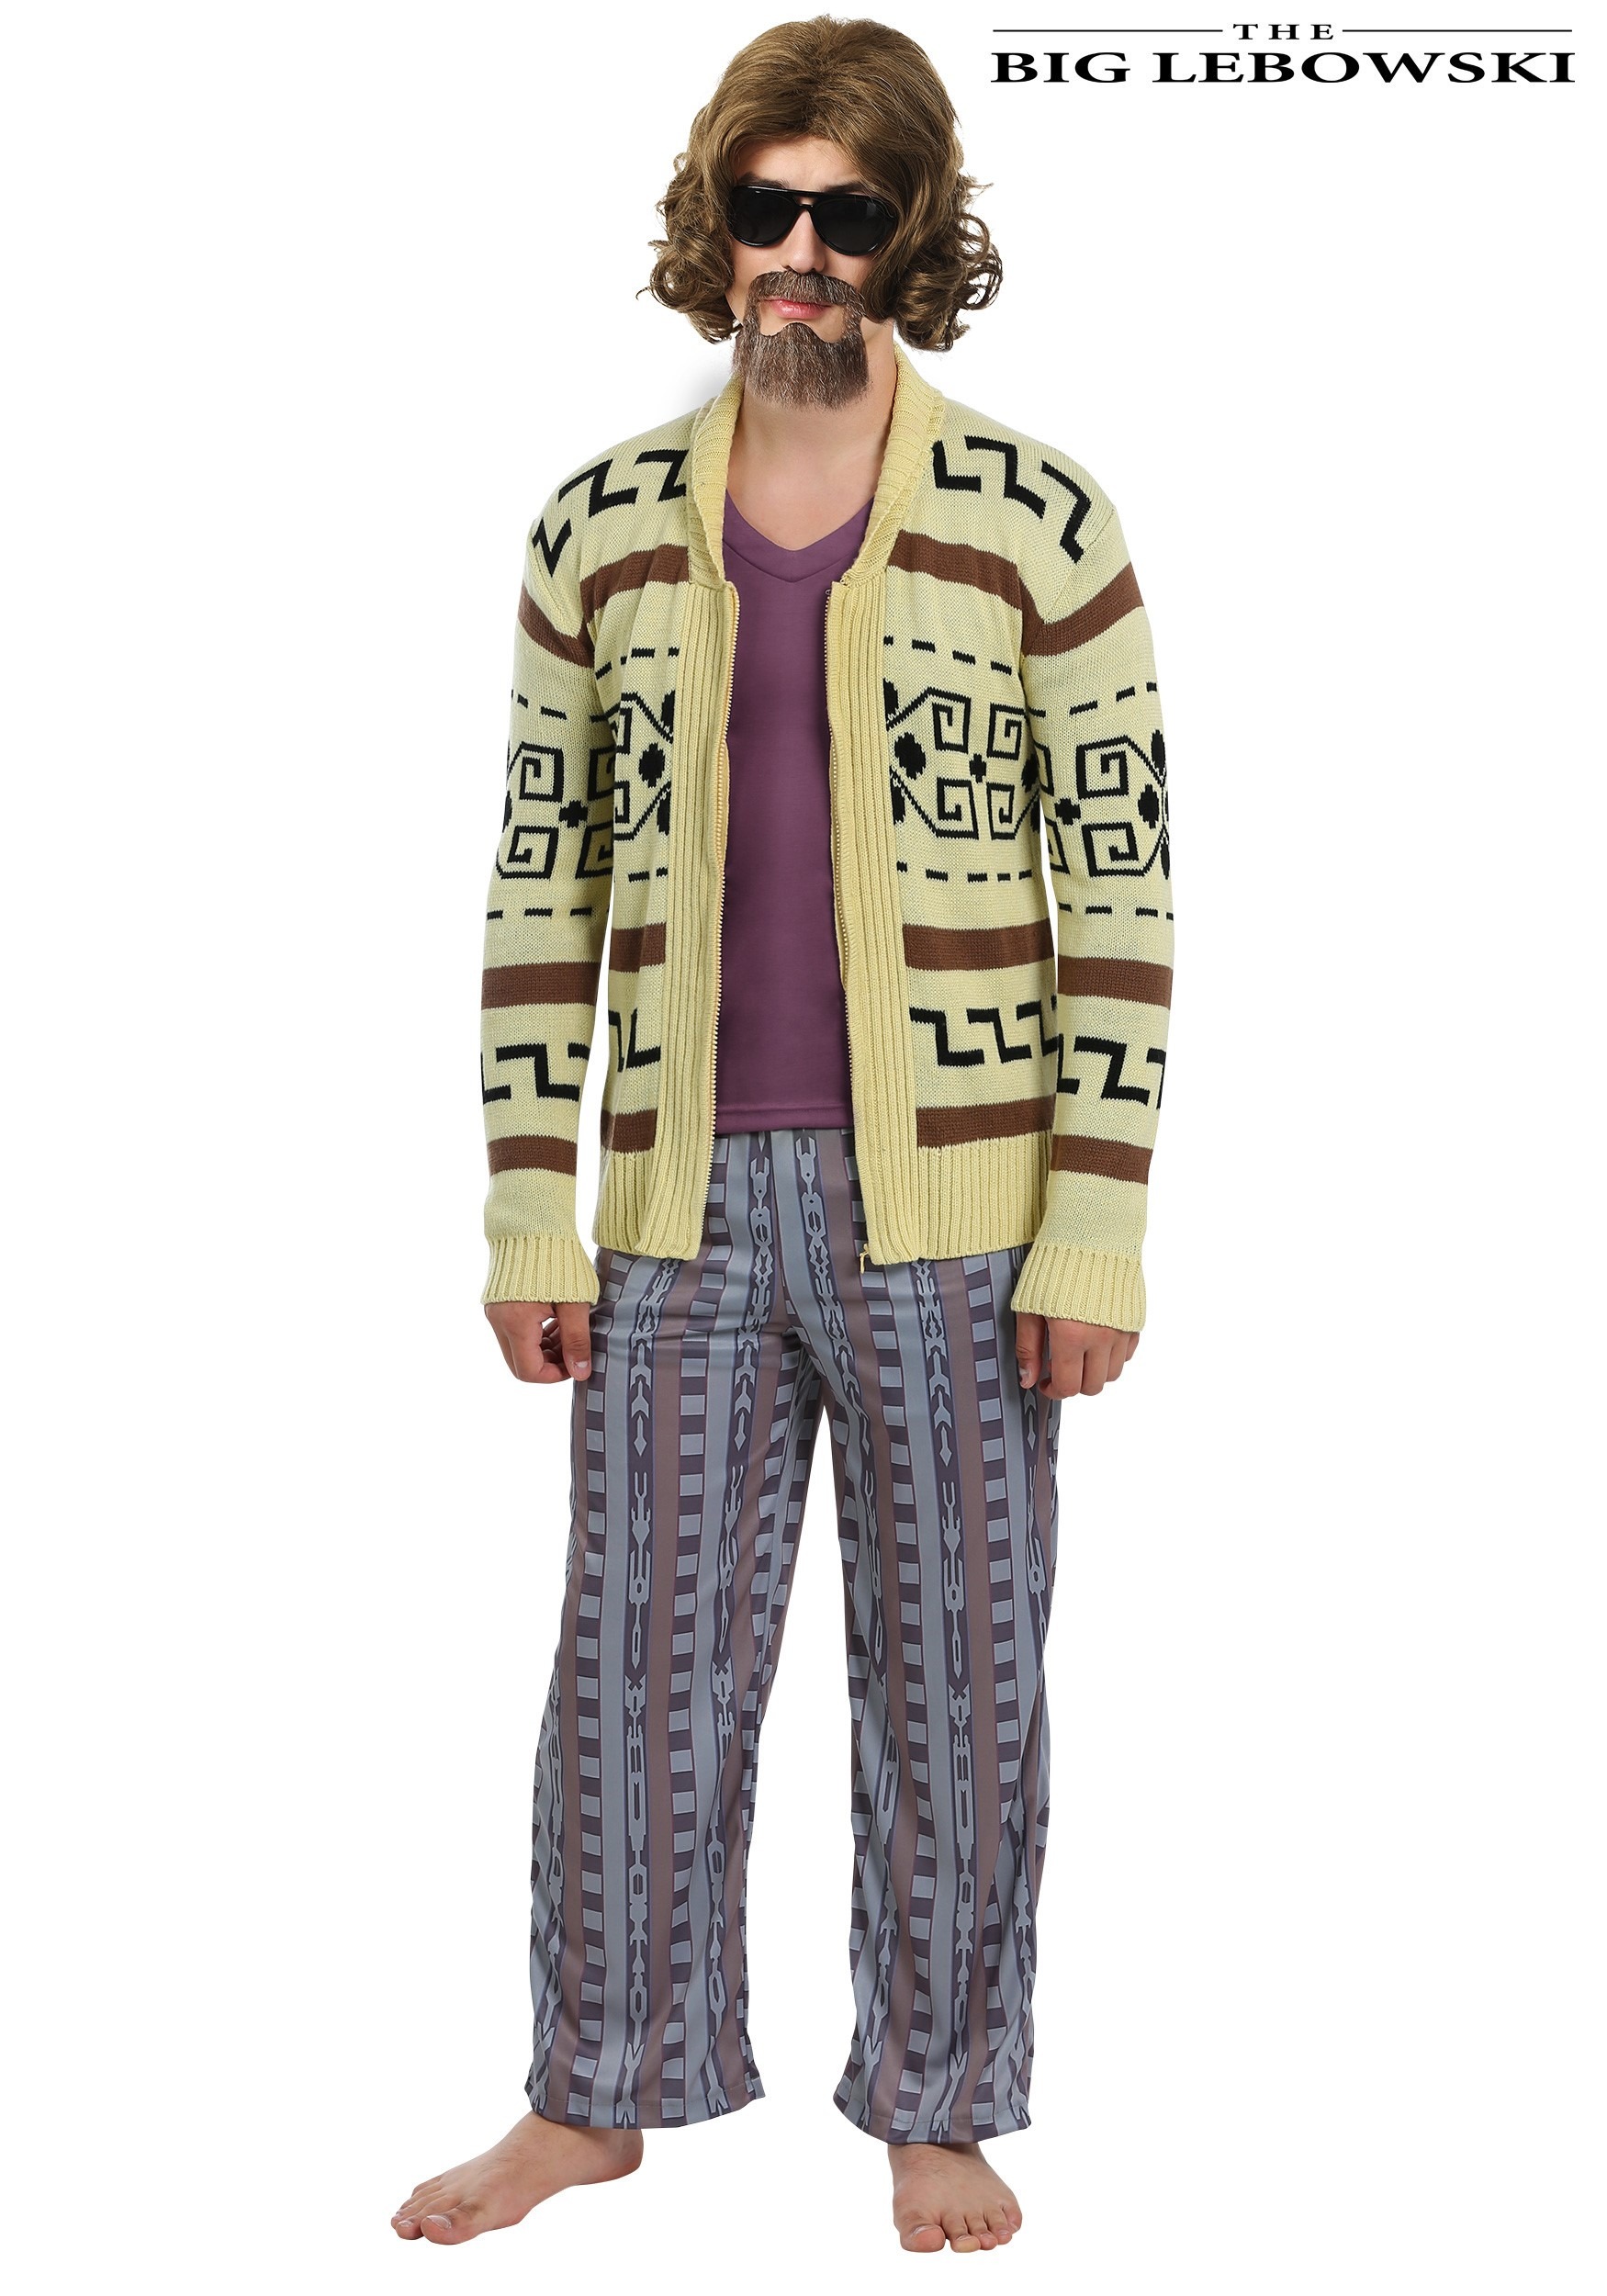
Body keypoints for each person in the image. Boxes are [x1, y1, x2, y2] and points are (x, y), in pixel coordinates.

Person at [392, 12, 1173, 2258]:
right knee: (633, 1671)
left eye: (847, 212)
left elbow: (1119, 883)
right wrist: (526, 1201)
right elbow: (539, 882)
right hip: (669, 1204)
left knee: (957, 1676)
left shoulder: (1037, 521)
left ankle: (935, 2099)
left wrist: (1092, 1227)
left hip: (965, 1206)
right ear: (712, 222)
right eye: (765, 206)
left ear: (909, 233)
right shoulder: (599, 528)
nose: (800, 251)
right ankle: (595, 2089)